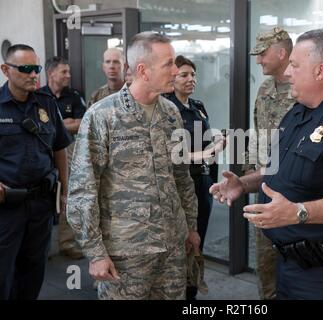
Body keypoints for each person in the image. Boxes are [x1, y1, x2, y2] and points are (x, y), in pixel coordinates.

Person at [210, 28, 323, 299]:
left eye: (294, 65)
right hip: (288, 264)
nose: (288, 72)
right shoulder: (297, 112)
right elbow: (278, 168)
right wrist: (242, 184)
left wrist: (298, 212)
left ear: (320, 70)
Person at [67, 32, 200, 300]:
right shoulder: (102, 115)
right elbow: (83, 189)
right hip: (126, 254)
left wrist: (191, 227)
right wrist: (95, 253)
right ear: (143, 70)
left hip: (172, 249)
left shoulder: (171, 113)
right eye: (169, 64)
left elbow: (181, 177)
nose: (176, 71)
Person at [0, 44, 72, 299]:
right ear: (6, 70)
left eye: (36, 69)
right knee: (4, 270)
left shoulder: (47, 104)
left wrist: (65, 190)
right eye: (26, 69)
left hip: (41, 203)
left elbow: (60, 148)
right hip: (7, 206)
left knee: (34, 268)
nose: (33, 75)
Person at [163, 55, 225, 300]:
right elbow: (171, 153)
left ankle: (191, 293)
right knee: (181, 244)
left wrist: (217, 144)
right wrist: (206, 152)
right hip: (179, 186)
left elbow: (206, 142)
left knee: (198, 241)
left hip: (201, 182)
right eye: (184, 75)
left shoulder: (197, 106)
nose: (191, 80)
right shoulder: (166, 109)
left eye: (193, 75)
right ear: (172, 78)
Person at [243, 26, 296, 300]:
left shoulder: (304, 90)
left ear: (281, 52)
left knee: (296, 260)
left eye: (262, 54)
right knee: (264, 261)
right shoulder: (264, 89)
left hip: (296, 190)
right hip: (265, 186)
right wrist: (249, 169)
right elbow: (256, 131)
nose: (258, 60)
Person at [39, 56, 86, 259]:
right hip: (42, 153)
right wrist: (64, 124)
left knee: (68, 194)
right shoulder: (37, 96)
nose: (69, 75)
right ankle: (41, 246)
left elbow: (82, 123)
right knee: (45, 197)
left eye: (69, 71)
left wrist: (54, 126)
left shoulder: (74, 96)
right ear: (51, 74)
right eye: (64, 72)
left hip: (68, 152)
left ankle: (67, 242)